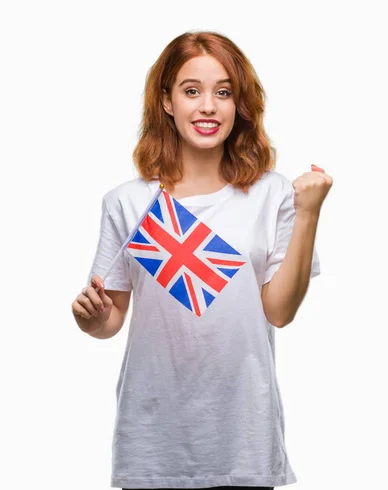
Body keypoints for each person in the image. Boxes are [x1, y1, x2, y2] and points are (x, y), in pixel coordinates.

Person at [71, 30, 332, 490]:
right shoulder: (127, 203)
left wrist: (308, 212)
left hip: (243, 440)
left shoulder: (271, 195)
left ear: (239, 105)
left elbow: (279, 311)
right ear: (167, 101)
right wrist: (91, 318)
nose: (208, 106)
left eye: (223, 92)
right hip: (152, 441)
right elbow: (110, 318)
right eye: (192, 91)